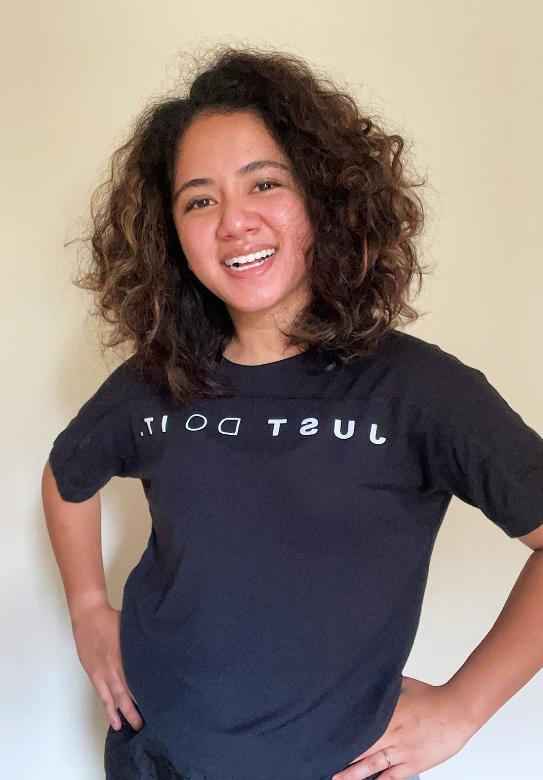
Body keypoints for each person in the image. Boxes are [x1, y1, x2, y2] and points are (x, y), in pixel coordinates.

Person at [41, 45, 543, 780]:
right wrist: (88, 609)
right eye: (199, 199)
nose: (233, 221)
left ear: (324, 198)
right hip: (152, 757)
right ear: (171, 234)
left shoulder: (417, 391)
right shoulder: (155, 380)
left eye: (265, 183)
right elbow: (66, 476)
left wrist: (462, 708)